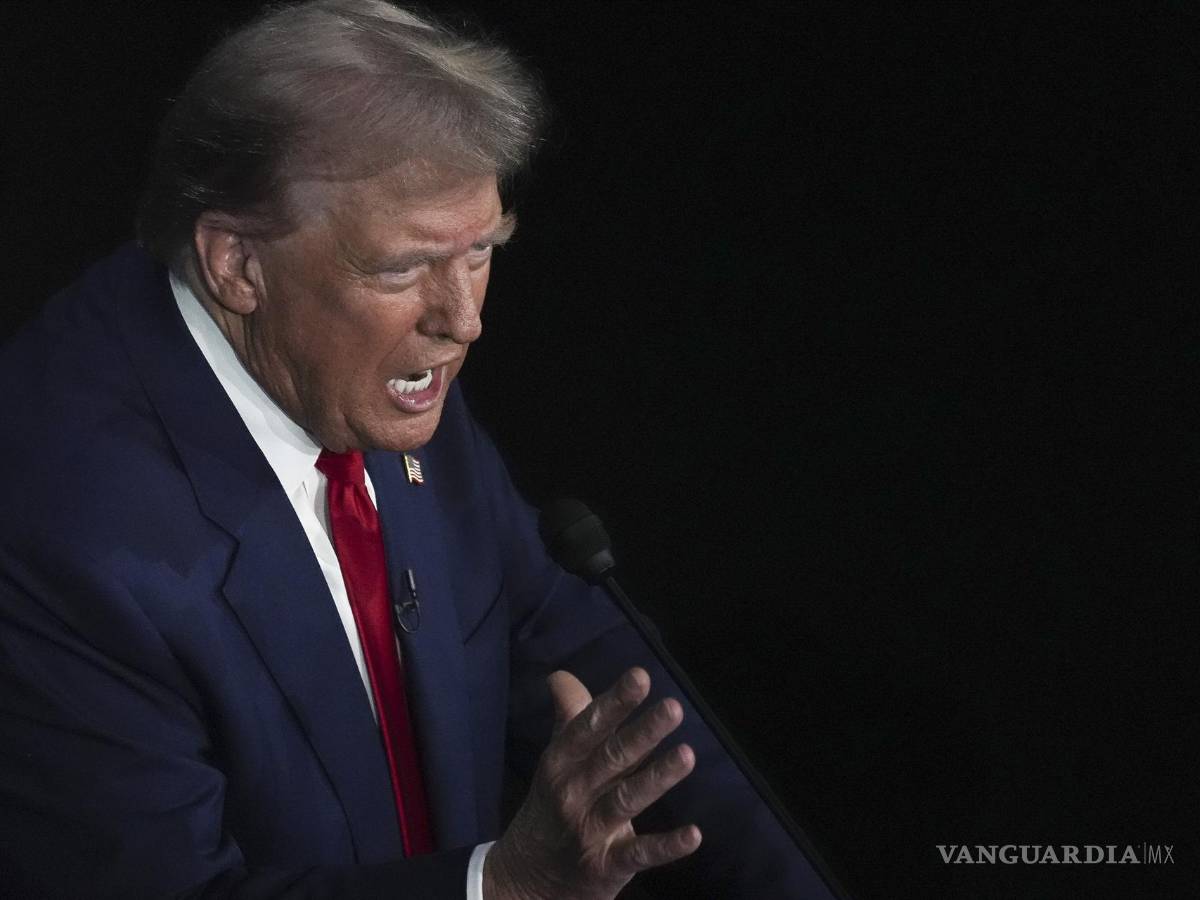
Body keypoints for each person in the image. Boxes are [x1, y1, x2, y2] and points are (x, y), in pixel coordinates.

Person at [0, 2, 838, 897]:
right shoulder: (60, 533)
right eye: (401, 269)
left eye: (481, 251)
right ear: (237, 266)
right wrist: (504, 887)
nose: (462, 321)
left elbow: (571, 641)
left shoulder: (368, 367)